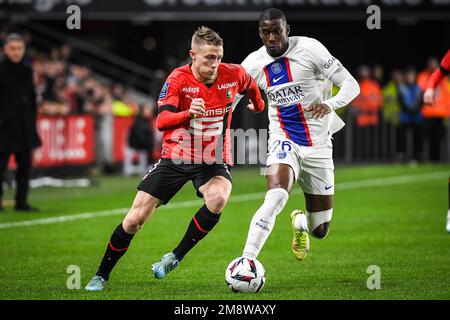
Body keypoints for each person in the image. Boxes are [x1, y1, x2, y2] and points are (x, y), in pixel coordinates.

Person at [85, 26, 265, 291]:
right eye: (208, 58)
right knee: (135, 220)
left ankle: (175, 257)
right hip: (176, 158)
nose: (215, 64)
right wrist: (187, 114)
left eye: (218, 57)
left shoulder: (233, 73)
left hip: (213, 159)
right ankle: (101, 274)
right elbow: (162, 121)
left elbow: (252, 87)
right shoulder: (178, 79)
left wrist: (257, 105)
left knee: (218, 198)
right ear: (193, 55)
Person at [232, 8, 359, 263]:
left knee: (320, 230)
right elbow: (229, 101)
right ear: (260, 33)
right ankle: (246, 261)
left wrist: (330, 104)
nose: (271, 38)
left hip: (319, 146)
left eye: (276, 31)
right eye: (266, 33)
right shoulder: (252, 64)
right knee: (277, 193)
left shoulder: (310, 49)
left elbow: (351, 84)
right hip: (282, 140)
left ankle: (300, 222)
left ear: (286, 29)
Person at [0, 33, 41, 212]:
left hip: (24, 128)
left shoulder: (27, 70)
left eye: (19, 49)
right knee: (0, 168)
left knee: (25, 168)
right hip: (4, 128)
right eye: (13, 48)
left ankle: (21, 202)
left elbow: (31, 98)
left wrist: (32, 122)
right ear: (4, 49)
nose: (16, 52)